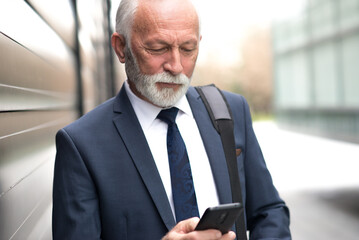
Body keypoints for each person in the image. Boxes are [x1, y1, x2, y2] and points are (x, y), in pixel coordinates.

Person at [52, 0, 291, 239]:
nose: (176, 66)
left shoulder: (231, 111)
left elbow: (269, 212)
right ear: (120, 47)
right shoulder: (81, 145)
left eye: (188, 49)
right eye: (158, 48)